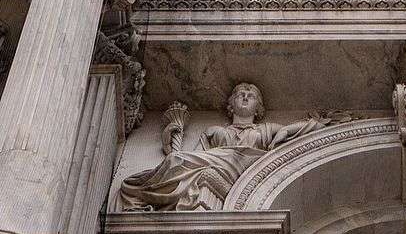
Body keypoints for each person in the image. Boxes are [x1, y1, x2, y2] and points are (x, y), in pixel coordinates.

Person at [115, 82, 339, 211]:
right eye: (240, 94)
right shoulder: (214, 130)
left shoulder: (266, 128)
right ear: (230, 105)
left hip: (245, 164)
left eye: (251, 96)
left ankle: (150, 192)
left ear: (258, 107)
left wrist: (314, 125)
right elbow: (195, 157)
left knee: (180, 161)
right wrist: (172, 136)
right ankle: (150, 193)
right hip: (217, 163)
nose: (244, 97)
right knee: (176, 160)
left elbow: (295, 130)